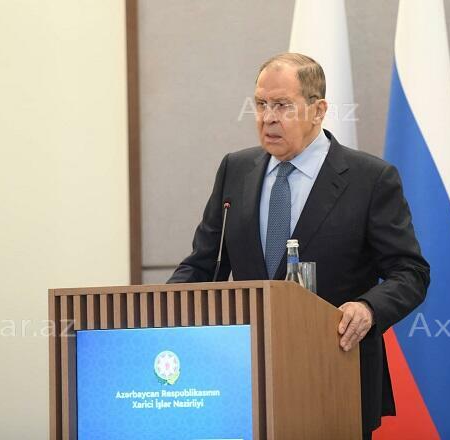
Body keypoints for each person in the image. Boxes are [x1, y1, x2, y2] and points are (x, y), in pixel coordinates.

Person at [167, 53, 430, 437]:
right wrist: (157, 311)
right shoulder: (235, 170)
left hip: (335, 373)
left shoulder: (370, 179)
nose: (267, 118)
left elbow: (410, 273)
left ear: (318, 110)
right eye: (261, 104)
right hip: (246, 377)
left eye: (282, 106)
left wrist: (368, 308)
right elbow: (203, 264)